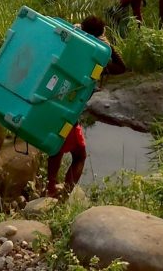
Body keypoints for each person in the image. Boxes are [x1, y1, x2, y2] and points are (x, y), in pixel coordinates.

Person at [45, 15, 127, 198]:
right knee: (79, 155)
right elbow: (121, 67)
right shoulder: (96, 56)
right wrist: (107, 46)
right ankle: (63, 195)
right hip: (71, 108)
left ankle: (50, 186)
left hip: (53, 98)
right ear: (101, 34)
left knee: (57, 144)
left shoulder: (73, 42)